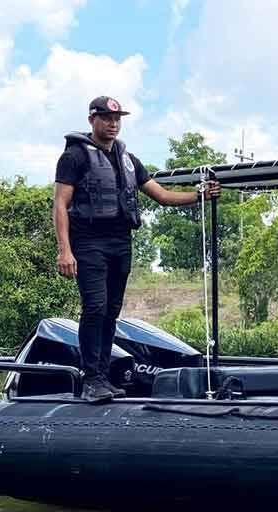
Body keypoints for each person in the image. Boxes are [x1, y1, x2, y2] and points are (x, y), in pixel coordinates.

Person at [54, 96, 220, 402]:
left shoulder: (128, 159)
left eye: (117, 119)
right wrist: (65, 250)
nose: (113, 124)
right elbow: (60, 204)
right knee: (95, 307)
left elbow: (162, 195)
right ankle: (91, 379)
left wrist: (200, 196)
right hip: (88, 242)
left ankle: (103, 378)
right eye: (106, 118)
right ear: (92, 120)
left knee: (111, 313)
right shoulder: (75, 157)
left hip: (121, 243)